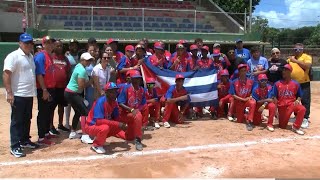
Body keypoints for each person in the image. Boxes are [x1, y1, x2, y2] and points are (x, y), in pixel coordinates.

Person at [3, 33, 39, 157]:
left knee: (26, 119)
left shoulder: (30, 56)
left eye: (30, 43)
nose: (29, 45)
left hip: (28, 94)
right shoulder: (13, 56)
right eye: (26, 43)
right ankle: (15, 145)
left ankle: (24, 140)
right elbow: (6, 74)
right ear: (20, 43)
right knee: (17, 121)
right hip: (18, 94)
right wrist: (9, 93)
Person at [84, 82, 129, 154]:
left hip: (103, 124)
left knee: (119, 128)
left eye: (115, 91)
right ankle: (96, 145)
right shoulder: (100, 102)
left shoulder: (114, 102)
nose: (114, 94)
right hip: (91, 126)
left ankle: (101, 138)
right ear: (106, 92)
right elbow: (99, 121)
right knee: (105, 128)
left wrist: (126, 132)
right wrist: (118, 124)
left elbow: (117, 118)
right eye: (112, 92)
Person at [64, 52, 95, 144]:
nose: (89, 62)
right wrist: (90, 82)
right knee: (84, 112)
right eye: (87, 60)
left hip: (70, 93)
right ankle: (85, 135)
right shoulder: (82, 70)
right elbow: (81, 86)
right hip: (73, 93)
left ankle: (73, 132)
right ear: (82, 60)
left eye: (90, 60)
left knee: (78, 111)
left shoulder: (79, 66)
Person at [34, 35, 58, 145]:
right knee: (43, 112)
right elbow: (39, 74)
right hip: (44, 89)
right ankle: (41, 137)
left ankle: (46, 132)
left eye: (52, 43)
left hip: (50, 88)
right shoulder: (41, 56)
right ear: (43, 44)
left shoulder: (49, 56)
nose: (50, 45)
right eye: (47, 43)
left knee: (48, 111)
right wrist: (44, 90)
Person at [117, 70, 146, 151]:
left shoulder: (142, 90)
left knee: (129, 137)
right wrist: (131, 109)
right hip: (124, 115)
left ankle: (117, 132)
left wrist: (137, 110)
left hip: (133, 116)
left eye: (139, 79)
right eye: (135, 79)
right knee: (138, 115)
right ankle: (138, 141)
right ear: (132, 80)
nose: (137, 81)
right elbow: (120, 103)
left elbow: (143, 104)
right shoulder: (126, 89)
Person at [273, 64, 305, 135]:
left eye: (286, 70)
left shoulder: (295, 83)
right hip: (282, 106)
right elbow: (274, 97)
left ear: (290, 72)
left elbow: (300, 95)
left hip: (291, 104)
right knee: (282, 126)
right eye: (283, 70)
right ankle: (283, 121)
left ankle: (296, 127)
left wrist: (297, 100)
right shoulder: (277, 84)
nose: (283, 72)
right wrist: (275, 110)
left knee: (302, 109)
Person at [287, 43, 312, 128]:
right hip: (293, 84)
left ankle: (305, 118)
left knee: (305, 100)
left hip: (304, 82)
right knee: (295, 100)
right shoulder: (290, 58)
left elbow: (307, 66)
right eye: (295, 49)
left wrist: (295, 61)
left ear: (302, 49)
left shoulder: (307, 57)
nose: (297, 51)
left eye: (299, 49)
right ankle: (297, 116)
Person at [229, 64, 256, 131]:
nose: (243, 72)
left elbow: (254, 92)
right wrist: (242, 99)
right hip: (239, 102)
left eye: (245, 71)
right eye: (242, 71)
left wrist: (250, 96)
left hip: (247, 101)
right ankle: (245, 115)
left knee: (253, 102)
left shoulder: (251, 81)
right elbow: (232, 94)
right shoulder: (234, 82)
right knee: (239, 121)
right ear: (239, 72)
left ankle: (250, 121)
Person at [52, 40, 71, 133]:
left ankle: (60, 124)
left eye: (61, 46)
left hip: (62, 87)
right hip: (53, 87)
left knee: (61, 106)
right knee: (51, 107)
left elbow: (67, 72)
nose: (60, 48)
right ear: (54, 46)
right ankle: (50, 126)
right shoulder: (51, 57)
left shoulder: (65, 58)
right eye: (58, 46)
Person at [65, 39, 80, 130]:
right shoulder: (67, 56)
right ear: (69, 47)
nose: (73, 47)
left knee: (77, 104)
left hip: (79, 83)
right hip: (69, 83)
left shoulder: (80, 56)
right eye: (72, 45)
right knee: (68, 104)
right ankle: (67, 123)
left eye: (75, 45)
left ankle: (76, 122)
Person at [84, 44, 97, 109]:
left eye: (93, 50)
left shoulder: (95, 61)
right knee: (87, 103)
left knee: (92, 103)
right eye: (90, 50)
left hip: (93, 84)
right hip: (86, 83)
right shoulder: (85, 60)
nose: (92, 52)